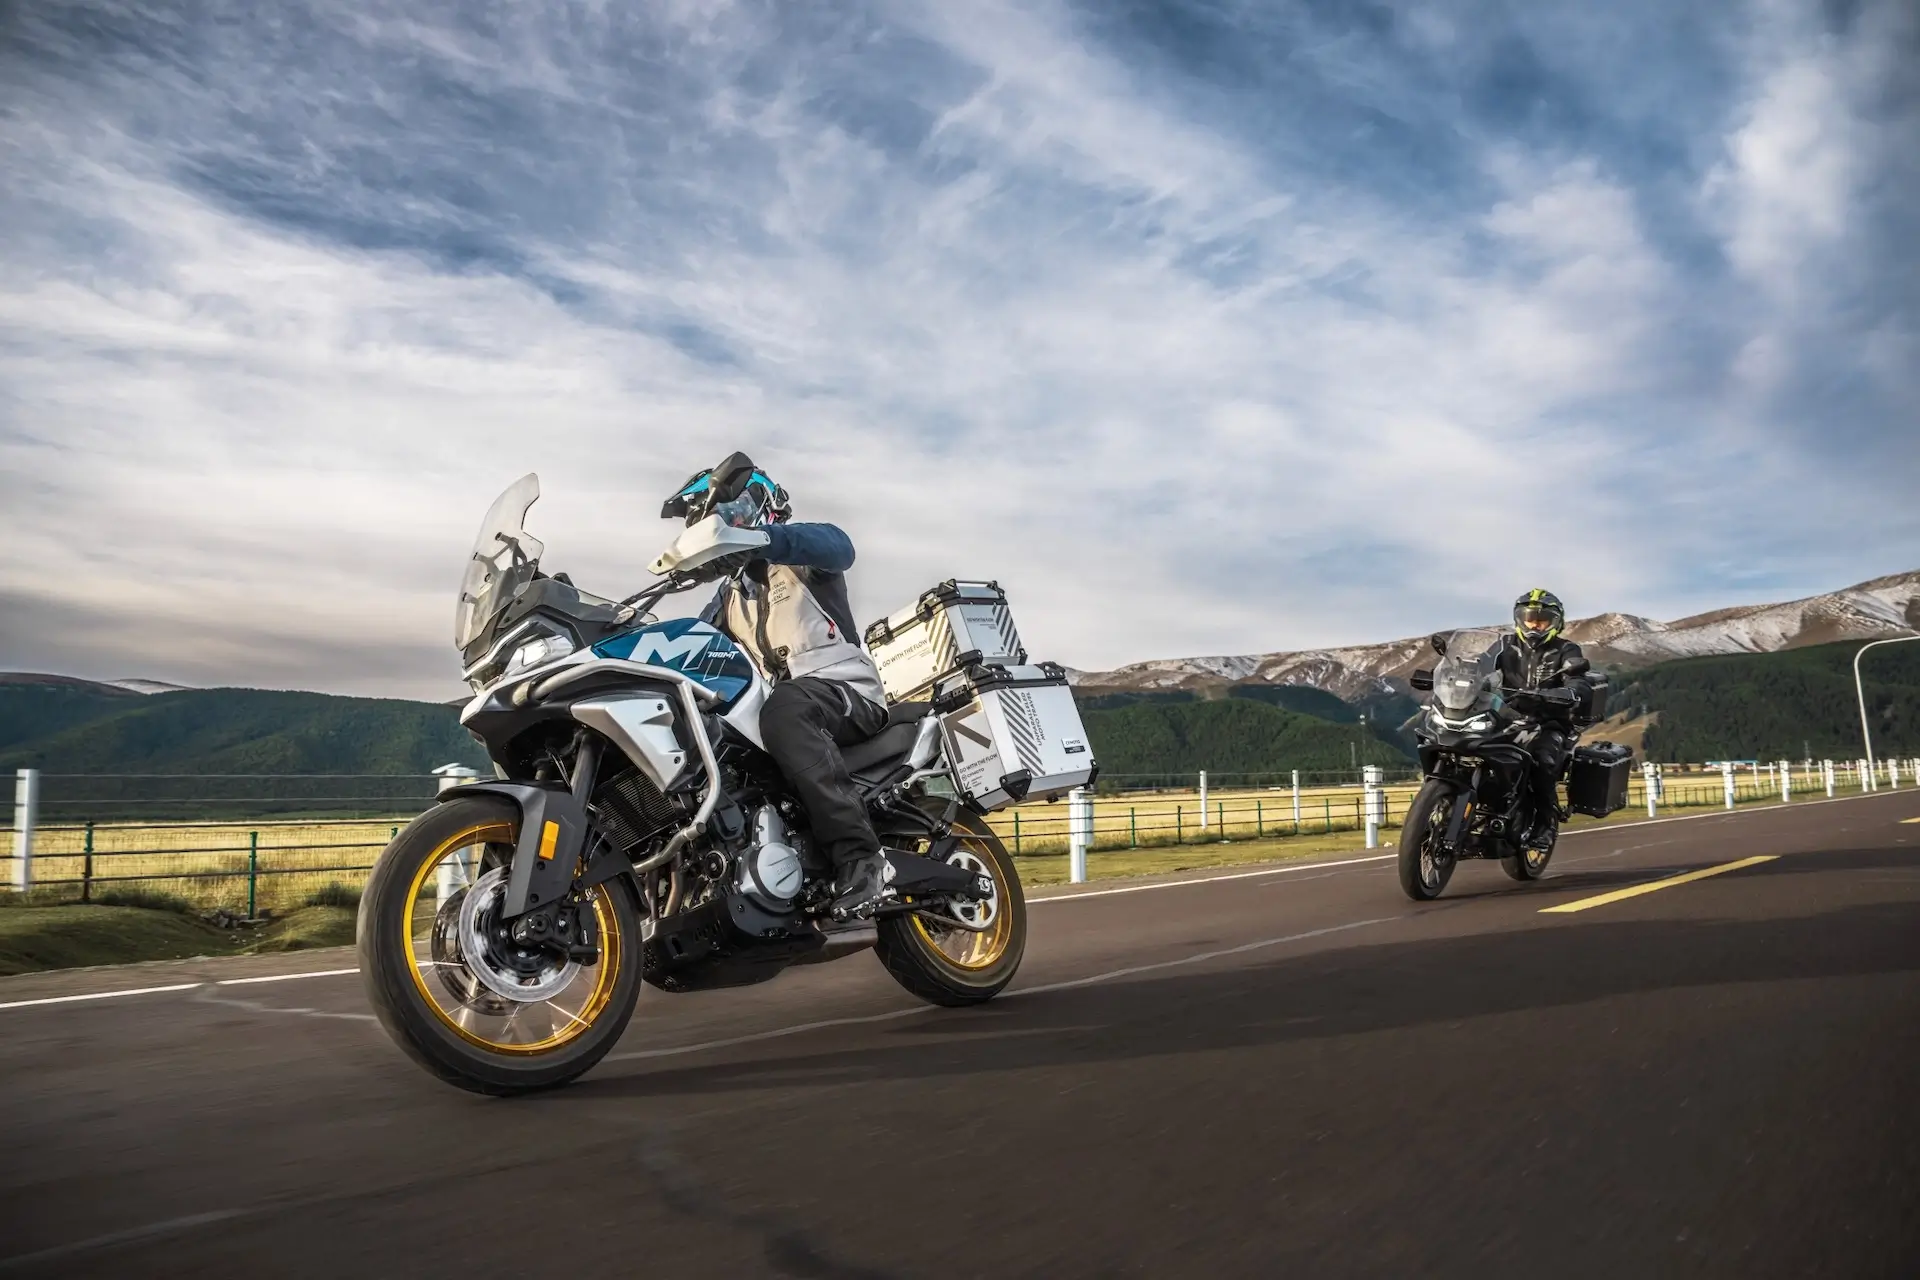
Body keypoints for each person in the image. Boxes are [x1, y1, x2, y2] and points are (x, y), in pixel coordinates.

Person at [660, 452, 896, 918]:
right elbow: (689, 642)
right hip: (787, 704)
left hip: (844, 688)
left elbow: (840, 546)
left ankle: (862, 859)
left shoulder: (804, 557)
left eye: (733, 514)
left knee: (784, 709)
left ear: (761, 504)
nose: (726, 527)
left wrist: (763, 540)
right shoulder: (730, 598)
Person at [1497, 589, 1592, 848]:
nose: (1534, 624)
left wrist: (1568, 692)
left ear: (1555, 622)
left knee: (1541, 760)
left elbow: (1579, 682)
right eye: (1529, 618)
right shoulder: (1503, 645)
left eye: (1542, 619)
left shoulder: (1566, 649)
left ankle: (1545, 824)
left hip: (1549, 721)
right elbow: (1476, 666)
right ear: (1519, 619)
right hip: (1505, 717)